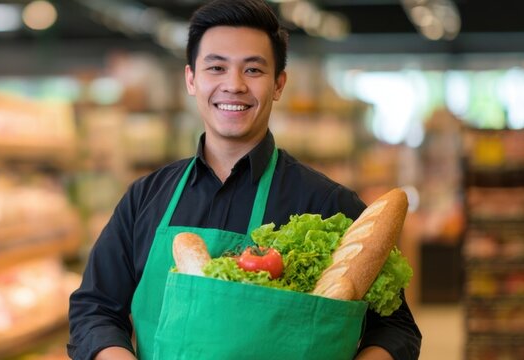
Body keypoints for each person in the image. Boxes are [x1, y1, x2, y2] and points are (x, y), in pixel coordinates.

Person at [67, 0, 422, 359]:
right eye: (216, 67)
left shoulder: (329, 207)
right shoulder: (145, 198)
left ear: (279, 83)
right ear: (191, 79)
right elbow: (94, 309)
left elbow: (395, 329)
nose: (233, 85)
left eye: (253, 70)